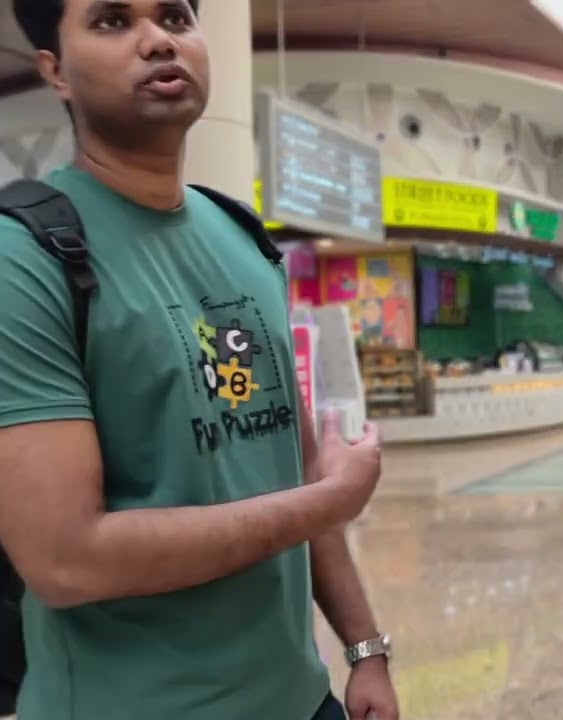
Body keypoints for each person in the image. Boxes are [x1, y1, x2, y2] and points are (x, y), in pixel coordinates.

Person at [0, 2, 399, 719]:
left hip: (303, 701)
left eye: (176, 17)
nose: (158, 39)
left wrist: (364, 650)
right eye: (113, 21)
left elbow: (297, 464)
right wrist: (329, 501)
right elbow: (65, 560)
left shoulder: (242, 237)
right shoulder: (22, 257)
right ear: (55, 72)